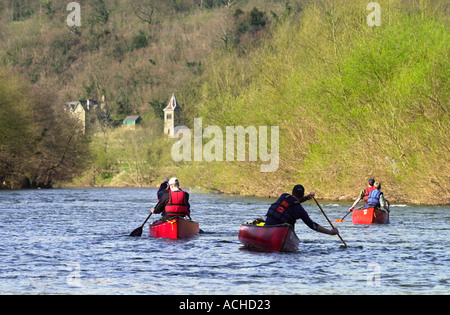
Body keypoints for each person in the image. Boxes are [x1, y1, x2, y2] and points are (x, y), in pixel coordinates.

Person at [264, 185, 339, 236]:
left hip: (267, 228)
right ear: (302, 195)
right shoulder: (300, 211)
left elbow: (293, 201)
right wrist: (330, 232)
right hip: (281, 233)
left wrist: (307, 197)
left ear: (292, 192)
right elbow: (313, 226)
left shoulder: (284, 196)